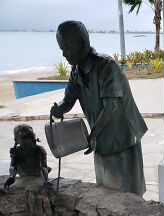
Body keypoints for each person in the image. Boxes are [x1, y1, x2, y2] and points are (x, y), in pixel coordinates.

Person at [50, 21, 147, 195]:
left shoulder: (106, 66)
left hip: (123, 137)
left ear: (83, 43)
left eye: (67, 48)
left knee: (128, 191)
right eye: (61, 49)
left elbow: (111, 107)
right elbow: (69, 99)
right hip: (101, 136)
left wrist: (92, 136)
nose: (64, 54)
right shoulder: (75, 72)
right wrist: (60, 108)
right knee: (106, 189)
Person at [3, 124, 51, 192]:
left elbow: (43, 167)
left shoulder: (39, 149)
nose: (29, 141)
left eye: (31, 137)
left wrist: (46, 181)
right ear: (17, 140)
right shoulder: (17, 151)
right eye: (24, 138)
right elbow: (13, 166)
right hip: (24, 172)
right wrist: (11, 177)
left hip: (37, 172)